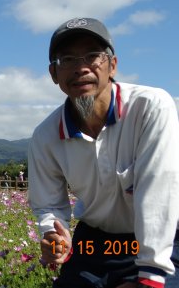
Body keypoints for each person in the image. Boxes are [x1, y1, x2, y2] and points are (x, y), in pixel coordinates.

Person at [28, 17, 179, 288]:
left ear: (112, 65)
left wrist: (150, 277)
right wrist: (54, 234)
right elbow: (48, 205)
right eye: (68, 60)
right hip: (98, 243)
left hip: (167, 239)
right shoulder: (45, 136)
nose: (81, 68)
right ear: (53, 74)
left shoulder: (151, 107)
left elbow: (159, 194)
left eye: (92, 56)